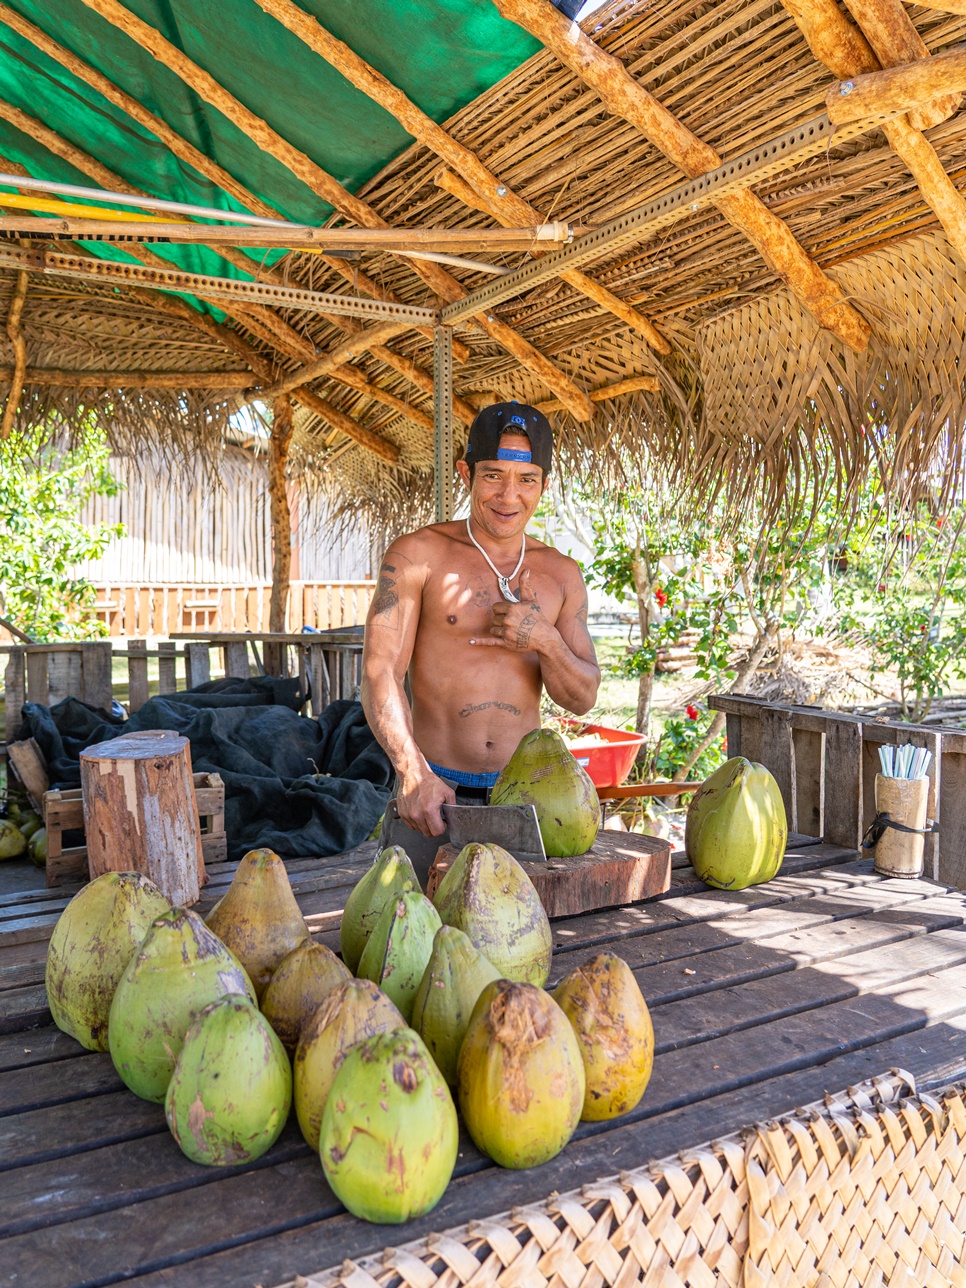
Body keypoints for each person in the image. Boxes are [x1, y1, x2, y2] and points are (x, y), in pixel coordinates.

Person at [361, 402, 600, 868]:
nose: (509, 496)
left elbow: (582, 697)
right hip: (434, 796)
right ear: (465, 474)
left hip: (528, 800)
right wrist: (411, 772)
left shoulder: (561, 574)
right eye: (493, 475)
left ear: (544, 485)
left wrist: (544, 639)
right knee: (410, 930)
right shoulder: (417, 555)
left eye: (526, 479)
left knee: (526, 936)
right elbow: (380, 670)